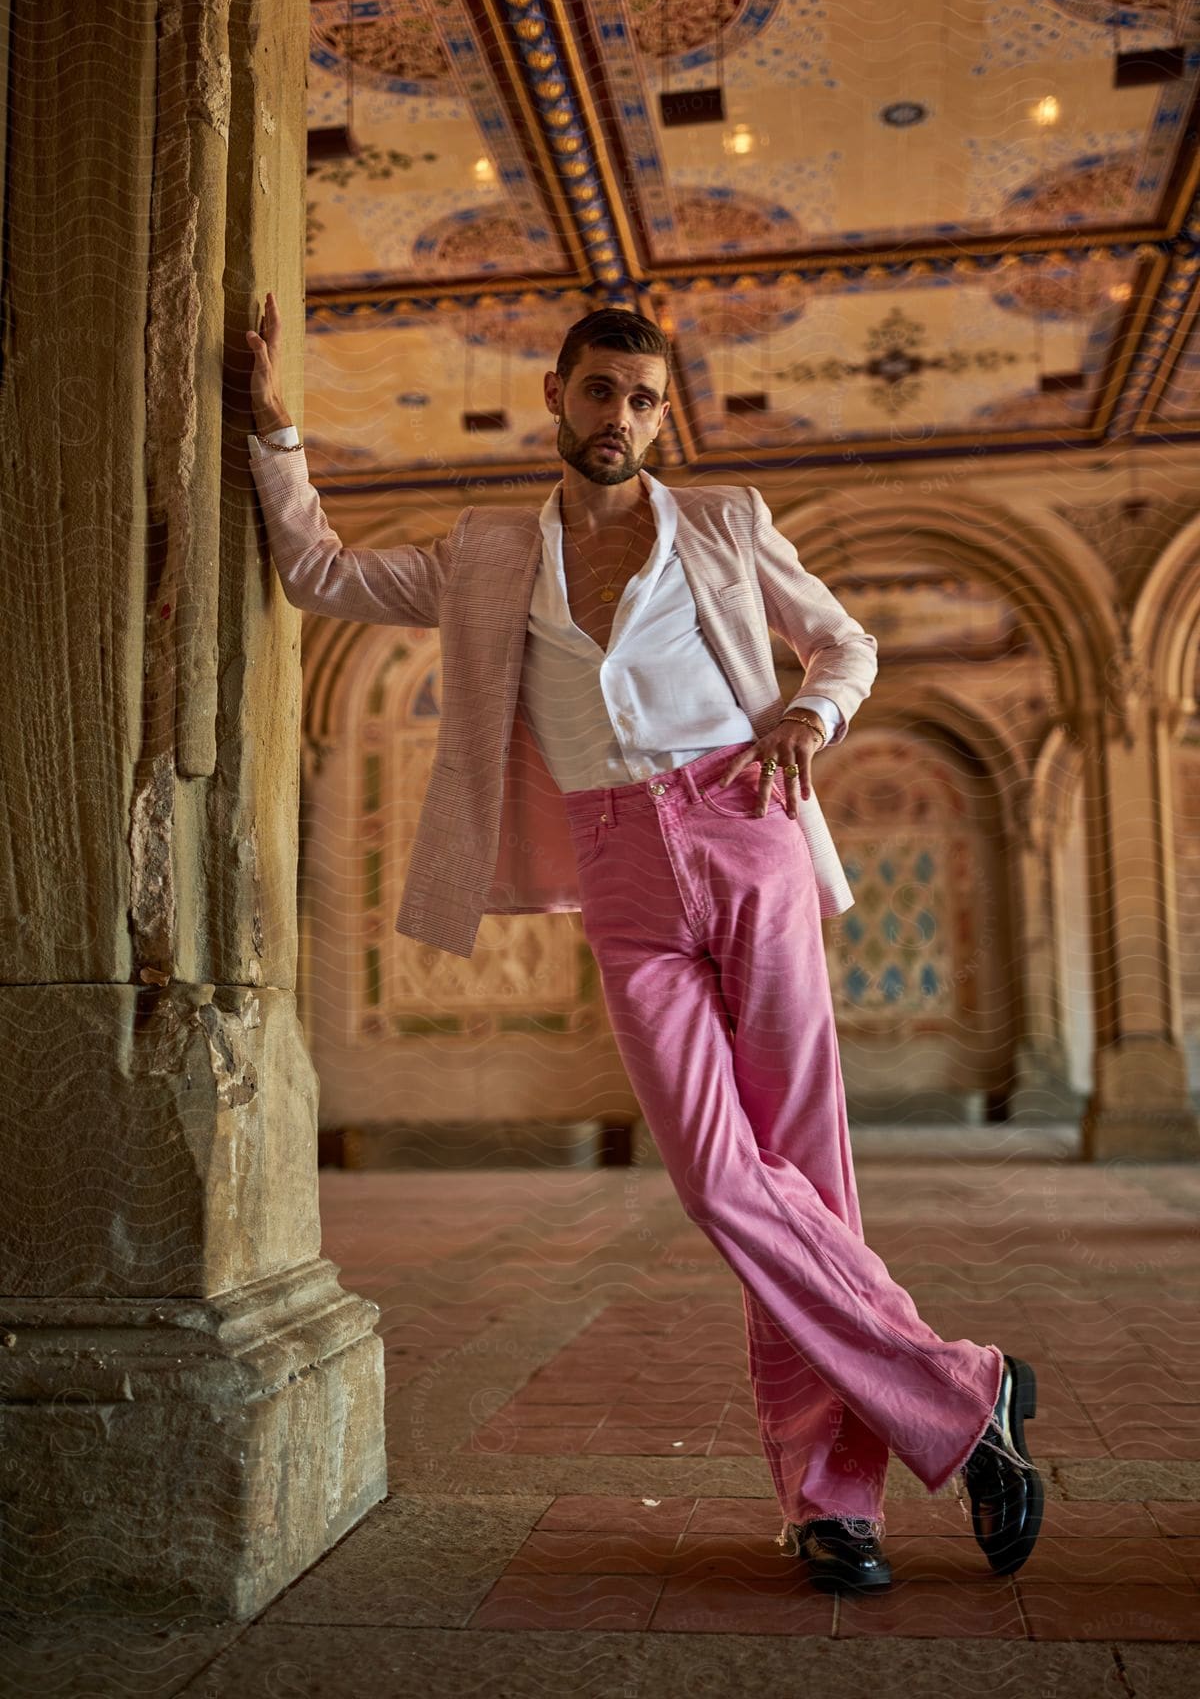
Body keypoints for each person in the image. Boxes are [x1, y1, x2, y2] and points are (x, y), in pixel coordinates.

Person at [244, 293, 1043, 1594]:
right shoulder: (491, 553)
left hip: (751, 827)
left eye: (645, 399)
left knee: (807, 1179)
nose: (621, 416)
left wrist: (810, 716)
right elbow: (318, 572)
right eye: (601, 390)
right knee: (724, 1184)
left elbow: (845, 644)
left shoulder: (725, 525)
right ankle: (968, 1389)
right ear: (554, 396)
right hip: (617, 863)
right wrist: (274, 424)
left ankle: (835, 1506)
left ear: (664, 418)